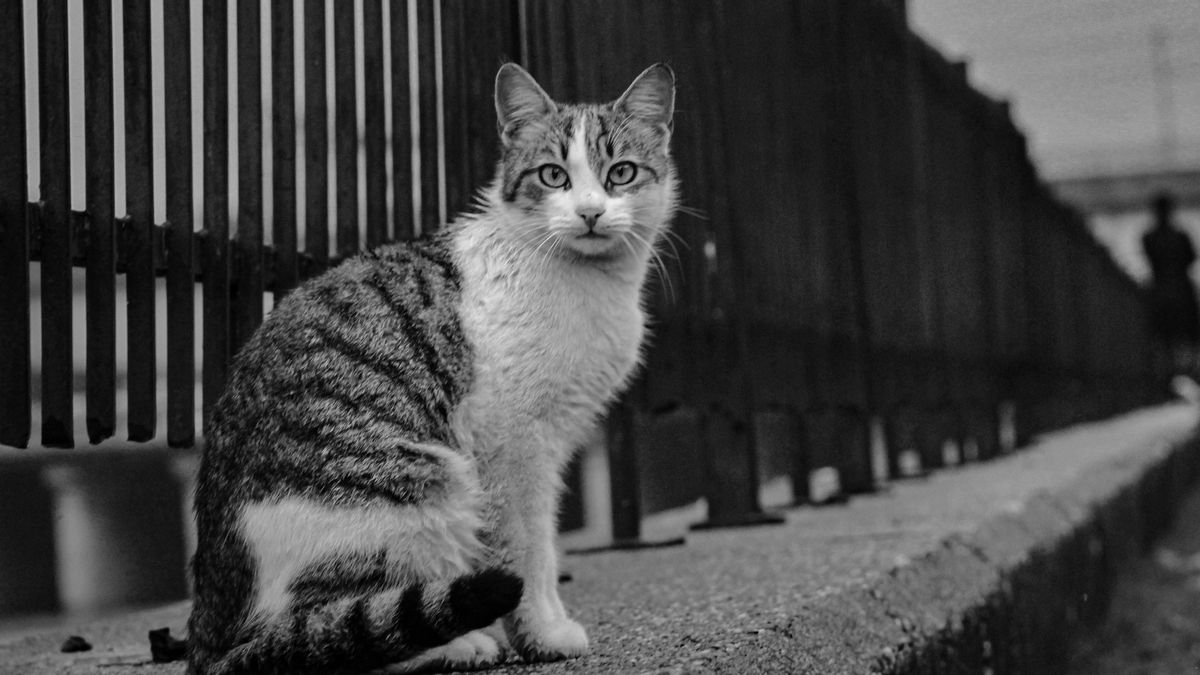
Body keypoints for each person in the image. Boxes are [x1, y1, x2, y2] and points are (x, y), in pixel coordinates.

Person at [1142, 192, 1200, 380]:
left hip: (1160, 290)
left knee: (1164, 335)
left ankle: (1168, 373)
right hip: (1180, 290)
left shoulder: (1149, 237)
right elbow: (1191, 258)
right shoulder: (1180, 236)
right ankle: (1185, 371)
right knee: (1186, 334)